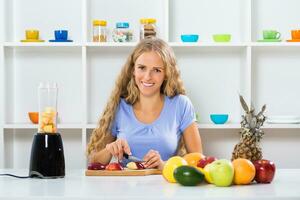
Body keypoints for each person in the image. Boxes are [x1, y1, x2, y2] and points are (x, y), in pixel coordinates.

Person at [87, 37, 202, 170]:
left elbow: (198, 160)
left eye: (157, 70)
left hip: (166, 187)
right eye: (142, 68)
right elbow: (94, 162)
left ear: (166, 74)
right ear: (133, 70)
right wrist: (109, 149)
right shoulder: (119, 106)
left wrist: (164, 165)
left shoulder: (181, 104)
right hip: (124, 187)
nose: (147, 76)